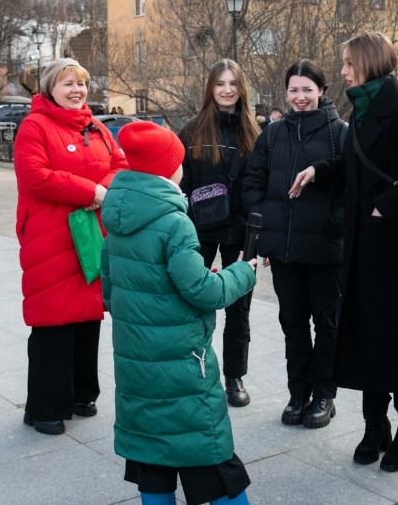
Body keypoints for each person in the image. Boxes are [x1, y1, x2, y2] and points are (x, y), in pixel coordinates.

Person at [290, 33, 398, 471]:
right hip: (362, 246)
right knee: (368, 339)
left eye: (347, 63)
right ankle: (375, 426)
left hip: (396, 246)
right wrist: (319, 169)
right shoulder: (363, 108)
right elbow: (356, 168)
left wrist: (386, 206)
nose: (342, 71)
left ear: (368, 63)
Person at [102, 121, 257, 505]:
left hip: (137, 365)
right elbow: (203, 292)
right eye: (180, 161)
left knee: (153, 460)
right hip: (181, 364)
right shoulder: (175, 223)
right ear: (167, 169)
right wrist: (243, 272)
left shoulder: (118, 218)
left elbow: (109, 289)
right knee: (211, 455)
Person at [15, 58, 128, 435]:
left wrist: (104, 188)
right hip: (51, 234)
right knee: (53, 319)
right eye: (68, 84)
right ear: (50, 88)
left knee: (87, 313)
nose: (77, 91)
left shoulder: (96, 127)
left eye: (81, 84)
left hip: (92, 232)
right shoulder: (34, 125)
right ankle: (46, 406)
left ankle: (82, 394)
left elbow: (121, 164)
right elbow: (34, 177)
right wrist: (91, 191)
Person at [242, 60, 347, 429]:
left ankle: (324, 395)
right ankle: (298, 394)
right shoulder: (271, 134)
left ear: (321, 90)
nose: (300, 97)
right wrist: (268, 224)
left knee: (327, 322)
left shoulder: (341, 134)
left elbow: (352, 190)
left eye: (307, 89)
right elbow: (252, 182)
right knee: (293, 324)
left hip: (325, 248)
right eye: (293, 90)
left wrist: (335, 222)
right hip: (284, 250)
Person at [177, 59, 260, 407]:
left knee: (239, 310)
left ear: (241, 88)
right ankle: (189, 372)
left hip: (242, 233)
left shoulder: (255, 133)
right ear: (210, 88)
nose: (227, 90)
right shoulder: (193, 130)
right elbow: (181, 182)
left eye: (233, 83)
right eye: (220, 84)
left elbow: (263, 186)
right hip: (200, 231)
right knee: (191, 303)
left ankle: (234, 377)